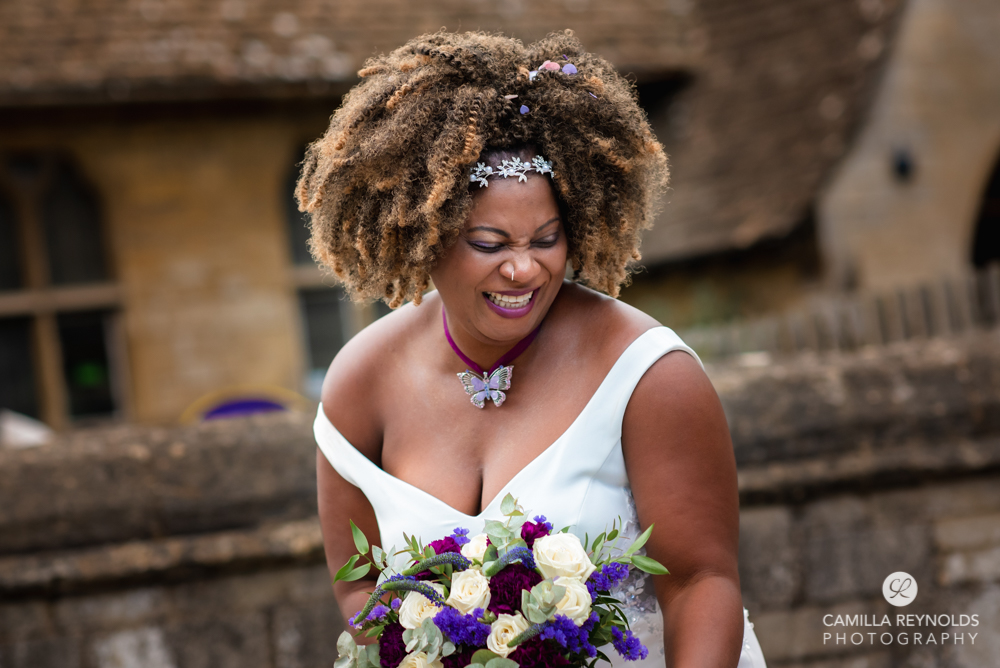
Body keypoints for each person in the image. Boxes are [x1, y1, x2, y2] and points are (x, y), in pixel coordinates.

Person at [300, 30, 767, 668]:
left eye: (545, 240)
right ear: (424, 235)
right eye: (490, 244)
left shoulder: (649, 375)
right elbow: (361, 591)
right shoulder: (361, 383)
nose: (523, 270)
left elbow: (700, 582)